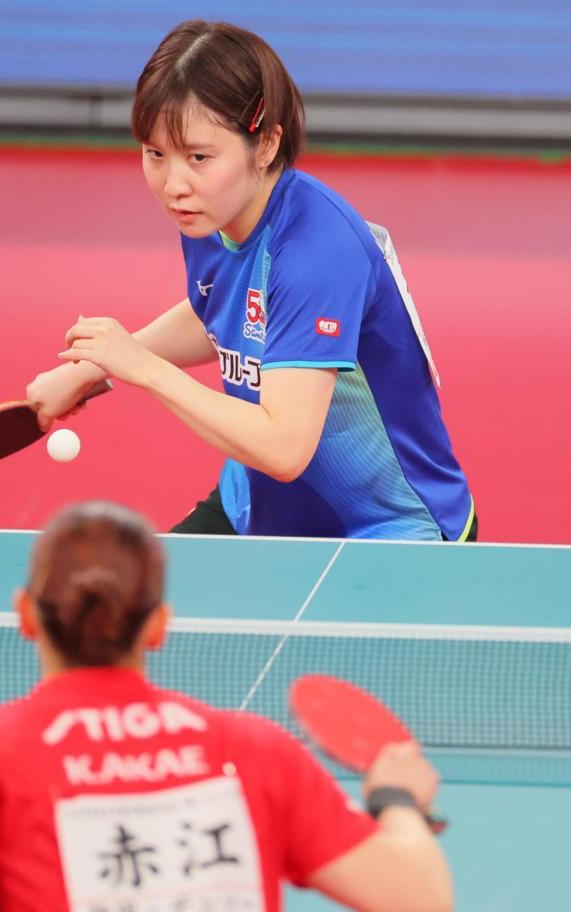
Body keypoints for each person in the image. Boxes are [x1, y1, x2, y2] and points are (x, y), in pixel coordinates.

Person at [0, 501, 452, 912]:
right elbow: (421, 907)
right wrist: (396, 802)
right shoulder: (253, 751)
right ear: (160, 624)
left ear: (25, 615)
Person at [27, 20, 476, 542]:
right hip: (256, 506)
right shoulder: (209, 213)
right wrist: (94, 367)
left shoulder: (318, 251)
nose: (174, 184)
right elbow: (218, 307)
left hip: (388, 531)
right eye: (155, 154)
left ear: (264, 145)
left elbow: (285, 448)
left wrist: (142, 368)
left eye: (198, 157)